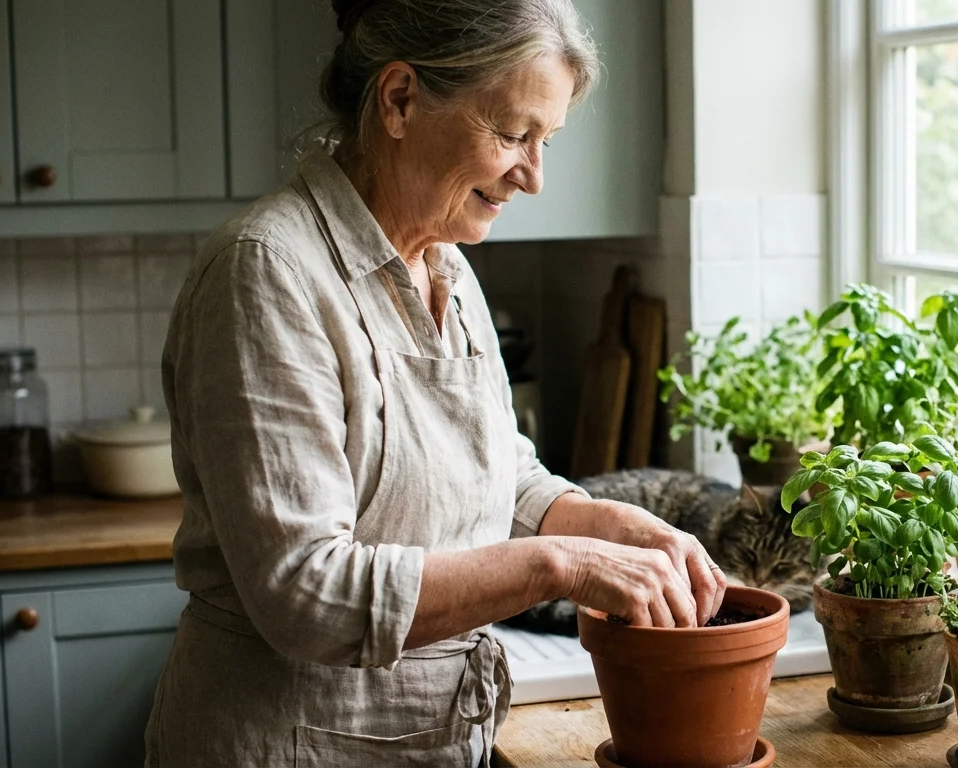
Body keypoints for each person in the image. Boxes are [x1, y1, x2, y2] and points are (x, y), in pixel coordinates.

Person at [143, 1, 724, 764]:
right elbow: (305, 591)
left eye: (545, 141)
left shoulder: (446, 264)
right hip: (285, 743)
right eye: (514, 135)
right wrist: (562, 564)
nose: (534, 176)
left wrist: (602, 523)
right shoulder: (268, 271)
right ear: (400, 100)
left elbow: (497, 470)